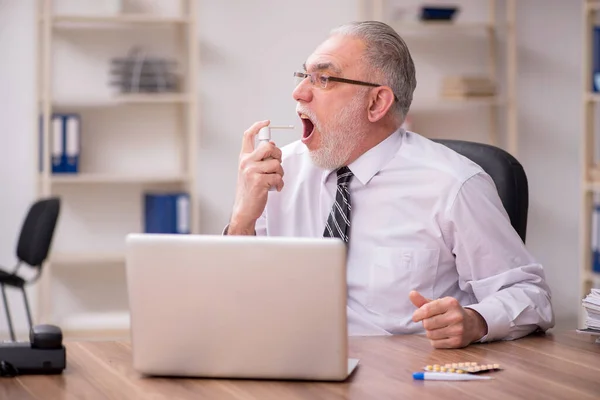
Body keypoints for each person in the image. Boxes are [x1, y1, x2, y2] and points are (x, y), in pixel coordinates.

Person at [225, 20, 555, 348]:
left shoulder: (454, 184)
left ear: (376, 103)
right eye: (304, 75)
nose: (299, 92)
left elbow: (529, 296)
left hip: (403, 379)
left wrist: (475, 321)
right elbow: (234, 298)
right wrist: (242, 220)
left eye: (323, 79)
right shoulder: (278, 171)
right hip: (292, 363)